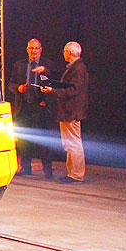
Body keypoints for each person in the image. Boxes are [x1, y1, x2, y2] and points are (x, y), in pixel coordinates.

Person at [6, 38, 58, 178]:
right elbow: (10, 84)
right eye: (31, 48)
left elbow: (54, 82)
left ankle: (47, 169)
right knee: (23, 140)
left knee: (43, 140)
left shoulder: (48, 65)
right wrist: (19, 88)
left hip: (41, 107)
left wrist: (47, 100)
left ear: (41, 49)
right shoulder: (19, 65)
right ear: (27, 49)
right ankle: (26, 167)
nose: (33, 51)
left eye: (36, 48)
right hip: (24, 107)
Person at [42, 41, 89, 184]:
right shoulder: (74, 68)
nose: (63, 53)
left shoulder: (78, 69)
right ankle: (72, 173)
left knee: (74, 143)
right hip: (67, 110)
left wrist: (53, 91)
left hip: (72, 111)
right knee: (69, 144)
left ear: (70, 53)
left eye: (65, 51)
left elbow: (73, 90)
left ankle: (76, 174)